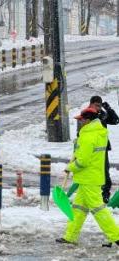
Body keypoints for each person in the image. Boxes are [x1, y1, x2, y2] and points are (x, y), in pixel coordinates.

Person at [56, 107, 119, 247]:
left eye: (82, 119)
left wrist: (70, 167)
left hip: (88, 179)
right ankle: (70, 236)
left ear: (88, 120)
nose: (81, 122)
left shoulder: (88, 136)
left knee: (98, 210)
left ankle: (117, 236)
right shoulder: (98, 133)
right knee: (78, 209)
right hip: (89, 177)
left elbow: (83, 161)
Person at [88, 96, 119, 203]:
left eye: (100, 106)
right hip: (90, 148)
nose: (98, 108)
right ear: (91, 104)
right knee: (91, 171)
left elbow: (115, 120)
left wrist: (109, 109)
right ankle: (91, 193)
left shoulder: (102, 114)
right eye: (96, 105)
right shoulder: (87, 114)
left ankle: (105, 195)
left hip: (102, 148)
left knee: (105, 171)